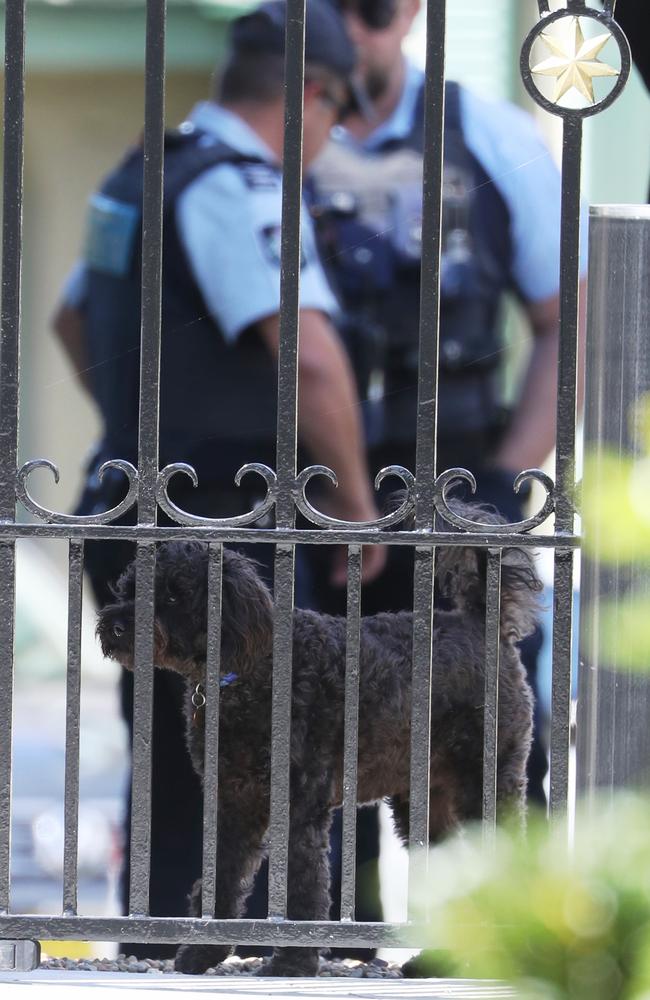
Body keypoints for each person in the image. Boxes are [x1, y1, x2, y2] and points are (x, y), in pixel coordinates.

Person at [52, 0, 386, 958]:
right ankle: (305, 951)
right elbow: (311, 359)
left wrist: (151, 431)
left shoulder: (141, 174)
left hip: (130, 507)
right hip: (232, 520)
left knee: (167, 752)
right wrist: (359, 511)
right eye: (334, 115)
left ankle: (160, 947)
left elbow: (76, 324)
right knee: (302, 748)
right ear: (313, 95)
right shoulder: (243, 190)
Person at [308, 0, 588, 810]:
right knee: (316, 733)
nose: (355, 31)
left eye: (373, 9)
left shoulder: (491, 134)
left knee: (487, 737)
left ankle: (491, 934)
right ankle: (328, 937)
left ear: (410, 15)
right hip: (307, 485)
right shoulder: (266, 136)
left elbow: (562, 316)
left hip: (462, 471)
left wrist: (506, 475)